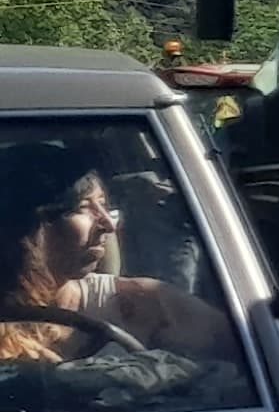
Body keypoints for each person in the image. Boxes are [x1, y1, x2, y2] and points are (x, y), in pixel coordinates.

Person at [0, 142, 237, 371]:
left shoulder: (144, 305)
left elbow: (247, 351)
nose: (108, 224)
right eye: (84, 208)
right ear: (29, 225)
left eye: (104, 205)